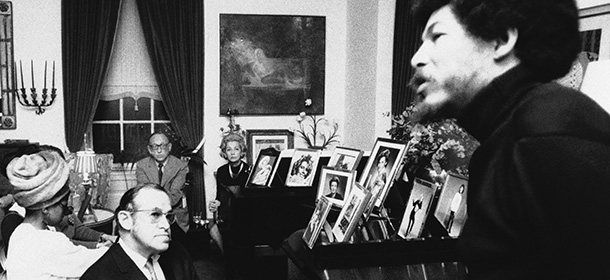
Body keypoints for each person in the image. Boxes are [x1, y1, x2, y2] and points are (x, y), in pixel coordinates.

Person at [409, 0, 610, 278]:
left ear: (502, 39)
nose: (416, 57)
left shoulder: (545, 138)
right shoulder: (506, 139)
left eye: (437, 36)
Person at [4, 149, 108, 279]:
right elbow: (98, 261)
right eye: (63, 206)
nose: (66, 213)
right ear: (45, 208)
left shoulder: (20, 232)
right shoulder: (45, 241)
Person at [81, 183, 199, 280]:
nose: (166, 225)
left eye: (168, 216)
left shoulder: (178, 253)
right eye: (155, 214)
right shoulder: (98, 276)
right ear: (126, 220)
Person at [136, 132, 190, 245]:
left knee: (176, 250)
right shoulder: (142, 165)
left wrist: (154, 198)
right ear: (149, 149)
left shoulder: (181, 165)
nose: (159, 150)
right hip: (151, 214)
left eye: (163, 146)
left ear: (169, 147)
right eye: (155, 147)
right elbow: (145, 193)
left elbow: (175, 196)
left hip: (175, 216)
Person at [213, 133, 251, 255]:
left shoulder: (249, 170)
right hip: (227, 215)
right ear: (225, 152)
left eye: (236, 149)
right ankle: (228, 258)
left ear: (242, 151)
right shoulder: (221, 171)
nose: (232, 153)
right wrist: (215, 204)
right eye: (229, 149)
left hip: (245, 215)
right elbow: (219, 197)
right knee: (212, 229)